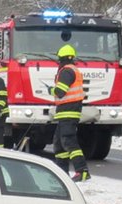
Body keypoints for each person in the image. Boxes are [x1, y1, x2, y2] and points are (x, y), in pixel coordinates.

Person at [49, 44, 91, 182]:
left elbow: (60, 92)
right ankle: (62, 174)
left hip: (68, 112)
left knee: (69, 141)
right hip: (65, 112)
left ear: (61, 57)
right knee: (59, 144)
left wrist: (51, 90)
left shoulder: (66, 71)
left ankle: (82, 171)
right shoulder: (71, 69)